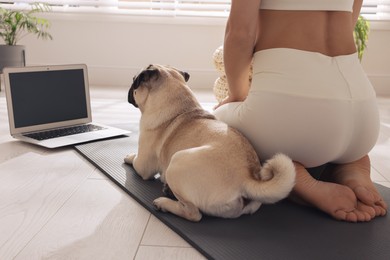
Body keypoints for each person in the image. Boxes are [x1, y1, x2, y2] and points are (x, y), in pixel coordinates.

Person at [213, 0, 387, 222]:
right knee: (336, 137)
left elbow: (240, 34)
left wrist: (236, 97)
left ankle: (293, 176)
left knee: (213, 122)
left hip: (295, 114)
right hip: (364, 114)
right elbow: (349, 21)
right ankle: (352, 164)